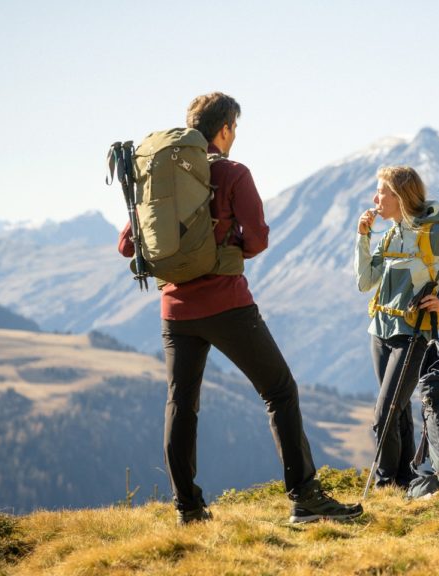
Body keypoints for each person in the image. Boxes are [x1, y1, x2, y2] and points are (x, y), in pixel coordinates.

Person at [118, 92, 362, 525]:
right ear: (226, 128)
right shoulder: (232, 173)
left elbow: (126, 245)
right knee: (280, 391)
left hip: (174, 311)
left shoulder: (161, 177)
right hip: (227, 303)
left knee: (181, 404)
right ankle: (305, 498)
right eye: (235, 128)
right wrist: (227, 250)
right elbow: (258, 238)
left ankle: (188, 508)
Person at [355, 166, 439, 488]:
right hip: (380, 331)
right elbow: (365, 282)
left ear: (399, 196)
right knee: (397, 411)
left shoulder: (435, 236)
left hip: (413, 334)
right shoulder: (390, 235)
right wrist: (363, 238)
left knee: (384, 414)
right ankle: (404, 480)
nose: (375, 199)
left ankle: (386, 484)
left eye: (381, 192)